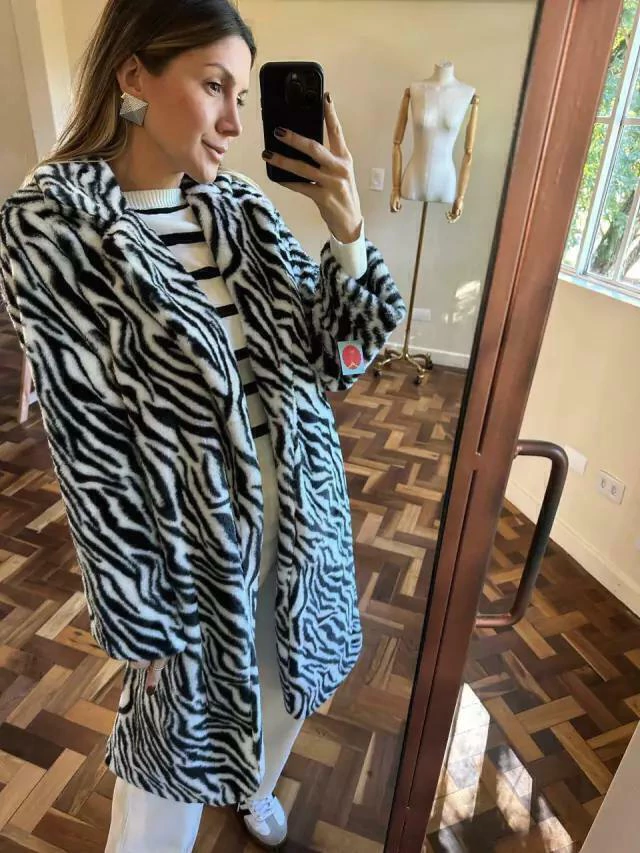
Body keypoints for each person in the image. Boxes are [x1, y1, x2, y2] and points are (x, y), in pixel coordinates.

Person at [0, 1, 407, 850]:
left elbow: (341, 357)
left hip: (303, 520)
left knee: (285, 687)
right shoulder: (55, 227)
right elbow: (86, 441)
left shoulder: (243, 211)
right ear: (133, 74)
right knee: (166, 770)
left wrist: (348, 230)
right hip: (190, 553)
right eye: (214, 86)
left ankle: (254, 786)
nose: (233, 122)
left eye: (242, 97)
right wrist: (136, 605)